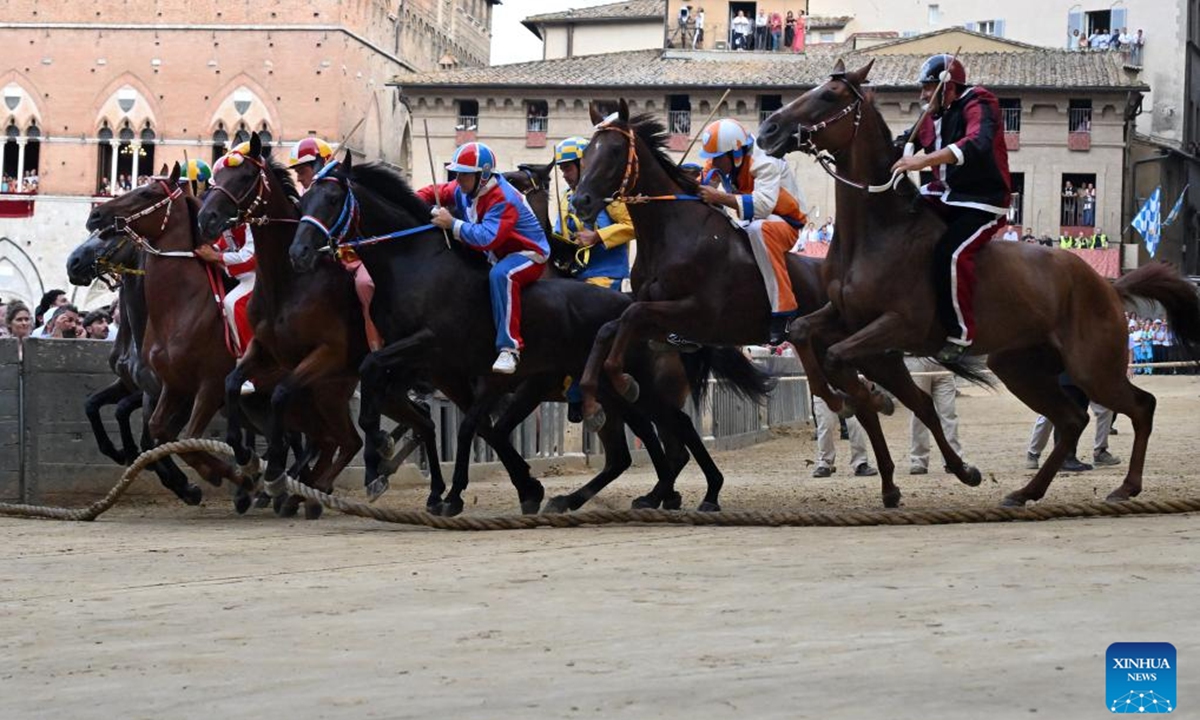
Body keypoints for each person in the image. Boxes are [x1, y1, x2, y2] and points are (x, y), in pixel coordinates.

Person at [891, 54, 1012, 363]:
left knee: (951, 252)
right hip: (943, 195)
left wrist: (923, 160)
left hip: (982, 200)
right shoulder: (929, 116)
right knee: (900, 230)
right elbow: (903, 145)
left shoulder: (980, 101)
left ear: (948, 87)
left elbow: (977, 142)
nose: (922, 95)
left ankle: (960, 333)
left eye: (928, 88)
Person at [418, 141, 550, 374]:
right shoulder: (464, 188)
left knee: (502, 275)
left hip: (527, 254)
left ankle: (510, 349)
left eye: (464, 175)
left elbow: (487, 238)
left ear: (483, 175)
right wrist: (415, 201)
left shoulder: (503, 198)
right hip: (496, 253)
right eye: (457, 173)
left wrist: (452, 223)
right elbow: (435, 191)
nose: (458, 179)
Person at [697, 118, 808, 346]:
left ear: (735, 153)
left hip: (785, 222)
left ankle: (784, 312)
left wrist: (719, 197)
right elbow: (703, 181)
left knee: (759, 229)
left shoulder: (765, 160)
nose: (713, 163)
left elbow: (763, 205)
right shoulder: (724, 157)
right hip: (752, 221)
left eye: (717, 158)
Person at [291, 137, 384, 352]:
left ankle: (378, 347)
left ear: (321, 164)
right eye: (296, 172)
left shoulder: (347, 189)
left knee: (365, 284)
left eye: (302, 171)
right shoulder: (309, 197)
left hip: (360, 258)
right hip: (336, 260)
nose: (299, 177)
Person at [553, 137, 633, 290]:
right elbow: (561, 233)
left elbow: (633, 225)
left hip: (606, 276)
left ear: (584, 165)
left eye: (568, 168)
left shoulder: (609, 194)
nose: (564, 174)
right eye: (562, 169)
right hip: (575, 276)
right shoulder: (566, 197)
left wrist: (597, 236)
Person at [904, 355, 967, 474]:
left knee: (949, 414)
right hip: (917, 358)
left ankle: (953, 459)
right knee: (919, 414)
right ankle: (918, 461)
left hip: (942, 360)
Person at [1026, 402, 1120, 471]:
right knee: (1048, 413)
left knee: (1105, 408)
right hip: (1062, 378)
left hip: (1087, 378)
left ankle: (1100, 451)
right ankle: (1033, 453)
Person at [812, 396, 877, 478]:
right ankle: (825, 463)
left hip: (849, 387)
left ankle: (860, 462)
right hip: (823, 387)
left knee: (855, 423)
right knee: (825, 424)